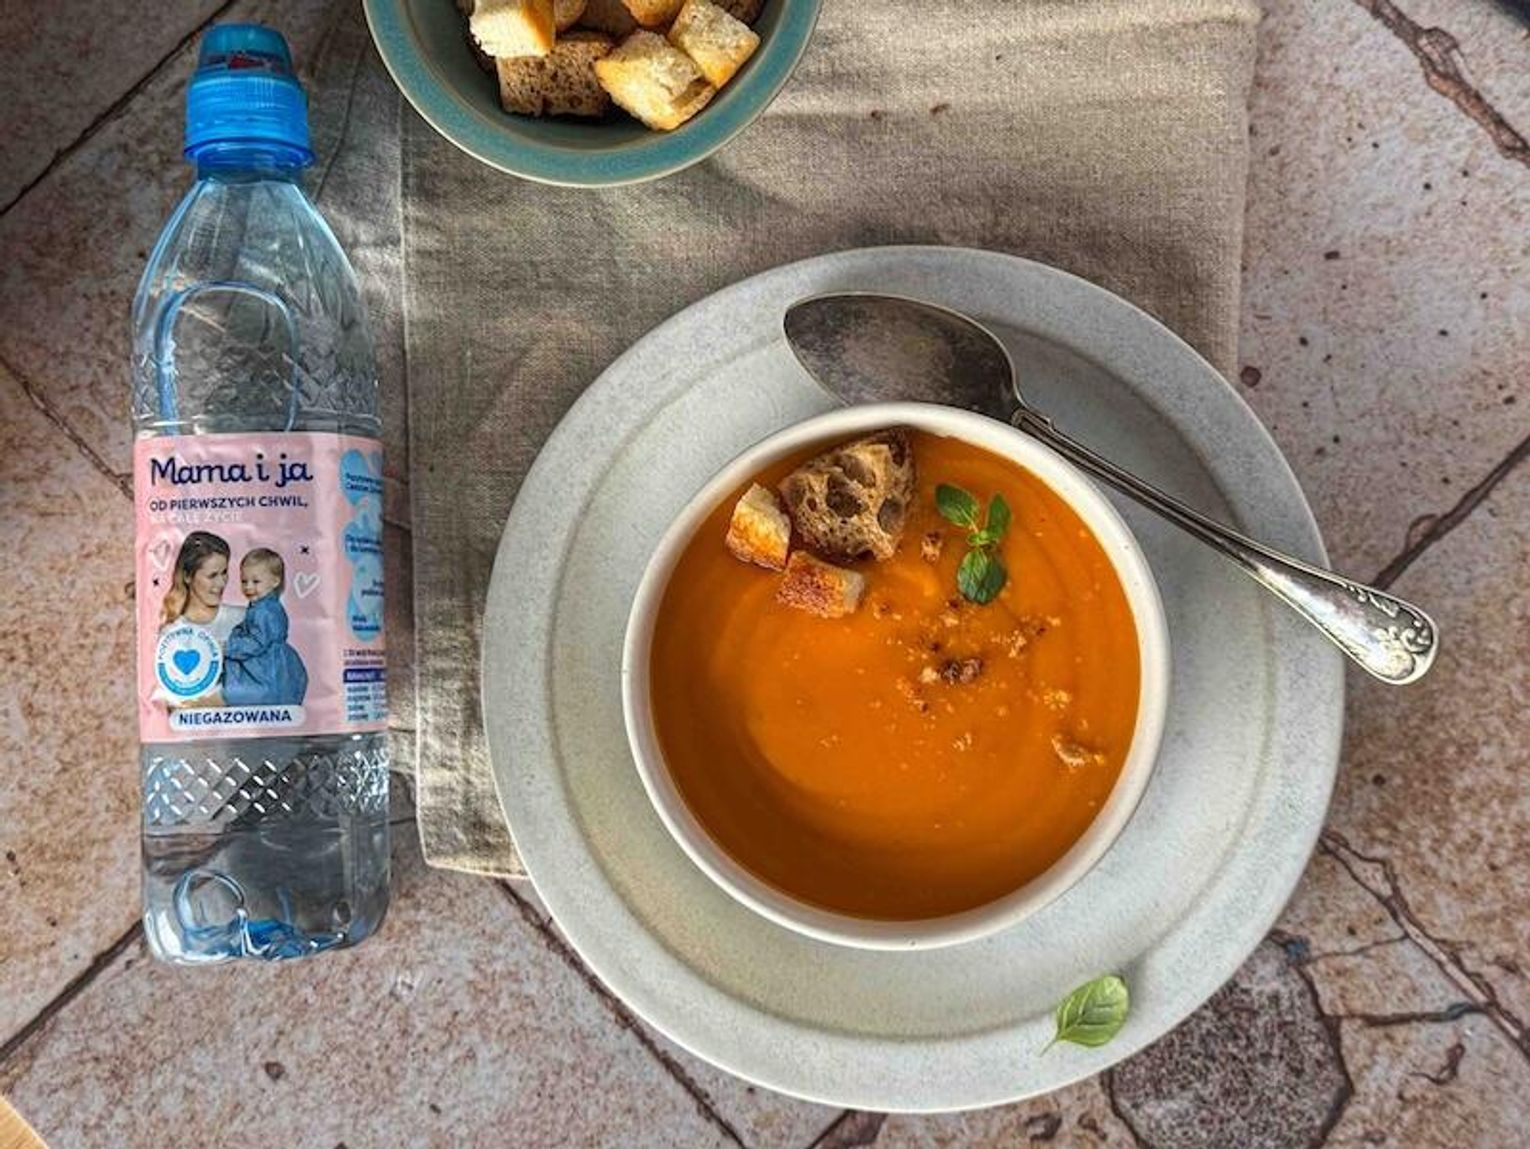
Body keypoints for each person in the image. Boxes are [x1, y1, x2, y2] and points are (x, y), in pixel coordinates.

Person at [158, 531, 245, 706]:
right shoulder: (172, 633)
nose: (221, 583)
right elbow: (175, 702)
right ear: (187, 576)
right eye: (212, 576)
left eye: (224, 573)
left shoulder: (244, 618)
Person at [223, 548, 309, 707]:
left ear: (275, 581)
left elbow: (257, 643)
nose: (248, 587)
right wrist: (240, 630)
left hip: (266, 665)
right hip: (272, 658)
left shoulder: (266, 610)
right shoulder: (262, 606)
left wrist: (228, 647)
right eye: (244, 581)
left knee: (251, 689)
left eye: (256, 582)